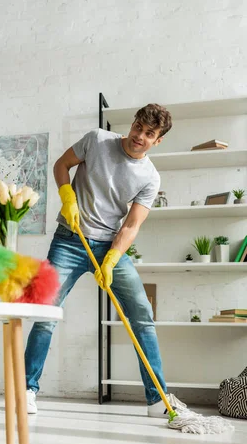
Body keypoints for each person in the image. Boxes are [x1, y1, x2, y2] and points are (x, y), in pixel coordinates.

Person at [25, 103, 187, 417]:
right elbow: (61, 165)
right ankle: (28, 390)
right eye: (139, 127)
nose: (139, 136)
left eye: (149, 134)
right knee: (45, 314)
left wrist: (112, 259)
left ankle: (156, 400)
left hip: (109, 246)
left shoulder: (150, 177)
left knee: (142, 315)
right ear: (134, 122)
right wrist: (67, 197)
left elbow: (132, 225)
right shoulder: (97, 139)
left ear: (158, 140)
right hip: (69, 240)